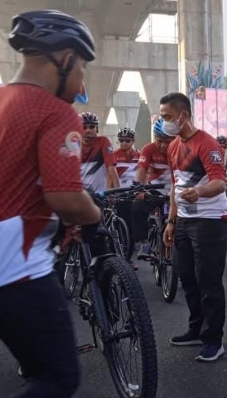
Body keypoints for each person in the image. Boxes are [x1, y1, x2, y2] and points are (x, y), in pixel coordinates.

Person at [0, 9, 101, 397]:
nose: (81, 82)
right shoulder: (56, 113)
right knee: (56, 379)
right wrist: (93, 213)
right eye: (83, 68)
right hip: (16, 266)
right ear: (64, 58)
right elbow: (66, 199)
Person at [160, 92, 227, 362]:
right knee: (186, 277)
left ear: (183, 115)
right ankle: (196, 329)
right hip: (183, 223)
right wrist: (170, 220)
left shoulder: (207, 143)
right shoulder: (174, 146)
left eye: (167, 117)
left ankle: (214, 340)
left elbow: (219, 182)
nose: (164, 122)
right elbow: (176, 185)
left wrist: (199, 193)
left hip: (210, 222)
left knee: (208, 281)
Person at [133, 118, 174, 260]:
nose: (162, 145)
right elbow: (141, 169)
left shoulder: (180, 148)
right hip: (156, 188)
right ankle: (145, 244)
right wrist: (139, 188)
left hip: (176, 190)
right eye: (159, 140)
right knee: (137, 207)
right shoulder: (148, 149)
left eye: (167, 141)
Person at [114, 126, 141, 265]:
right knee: (121, 226)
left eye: (127, 140)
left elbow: (145, 172)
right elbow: (109, 174)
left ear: (133, 141)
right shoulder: (113, 154)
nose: (124, 143)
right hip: (119, 194)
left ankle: (129, 257)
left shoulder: (139, 155)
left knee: (131, 227)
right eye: (121, 140)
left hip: (134, 194)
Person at [80, 111, 119, 191]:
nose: (88, 130)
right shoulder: (73, 144)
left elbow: (111, 168)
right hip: (80, 195)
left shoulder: (103, 141)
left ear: (97, 129)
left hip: (99, 195)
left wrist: (117, 192)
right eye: (84, 127)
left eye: (91, 127)